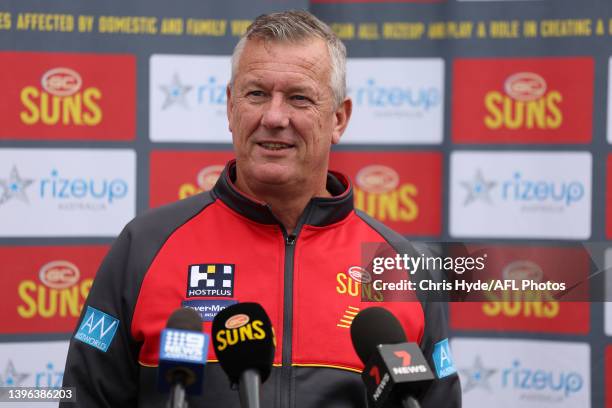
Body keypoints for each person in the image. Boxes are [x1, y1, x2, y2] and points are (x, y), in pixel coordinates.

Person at [61, 10, 461, 408]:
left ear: (339, 119)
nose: (273, 117)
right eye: (256, 94)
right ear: (230, 107)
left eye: (299, 98)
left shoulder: (403, 265)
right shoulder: (144, 245)